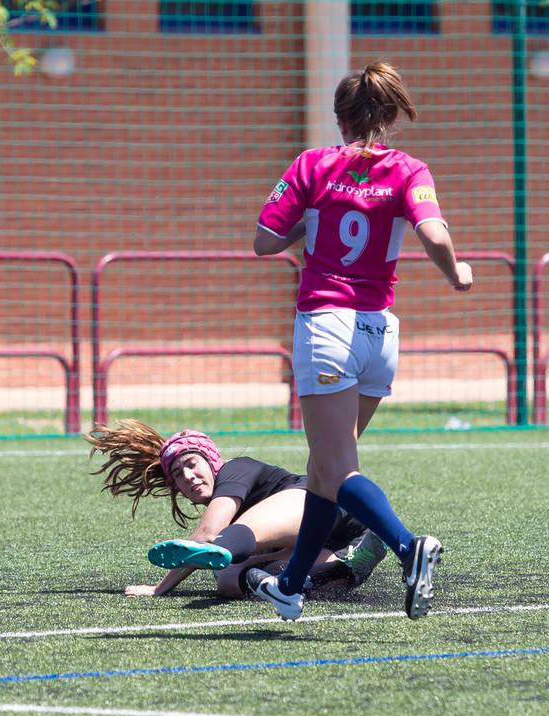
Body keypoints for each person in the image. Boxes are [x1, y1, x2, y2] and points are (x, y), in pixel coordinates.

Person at [252, 60, 472, 622]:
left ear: (339, 119)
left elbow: (265, 240)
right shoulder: (410, 170)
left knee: (337, 467)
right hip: (379, 329)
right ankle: (292, 585)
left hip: (327, 326)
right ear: (392, 117)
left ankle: (407, 547)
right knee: (324, 470)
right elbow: (431, 231)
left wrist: (315, 215)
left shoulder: (314, 165)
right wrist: (455, 272)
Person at [87, 419, 387, 600]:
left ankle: (361, 544)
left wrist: (159, 588)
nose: (188, 476)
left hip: (323, 507)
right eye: (178, 474)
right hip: (326, 541)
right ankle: (340, 567)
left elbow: (208, 533)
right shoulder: (222, 490)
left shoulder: (235, 470)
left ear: (212, 460)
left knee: (225, 543)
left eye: (192, 464)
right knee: (230, 579)